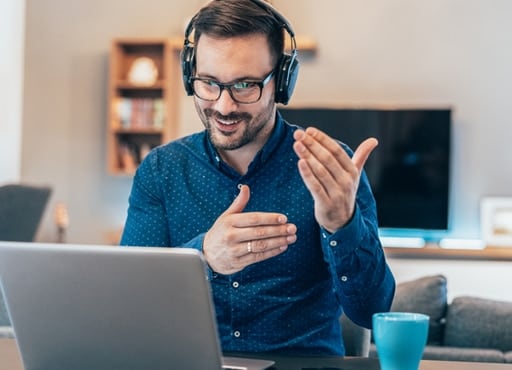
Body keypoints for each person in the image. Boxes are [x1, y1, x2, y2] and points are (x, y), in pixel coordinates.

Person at [120, 0, 395, 356]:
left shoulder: (332, 168)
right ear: (191, 76)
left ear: (281, 81)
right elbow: (130, 302)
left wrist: (342, 224)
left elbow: (373, 313)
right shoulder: (161, 171)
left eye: (245, 85)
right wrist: (201, 257)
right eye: (208, 83)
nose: (223, 106)